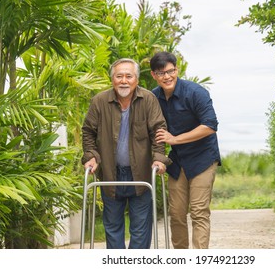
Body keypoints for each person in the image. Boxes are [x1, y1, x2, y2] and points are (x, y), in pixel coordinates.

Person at [81, 58, 171, 249]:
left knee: (141, 228)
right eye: (119, 76)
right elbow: (88, 131)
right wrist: (90, 155)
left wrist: (159, 159)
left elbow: (159, 131)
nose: (124, 80)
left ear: (136, 80)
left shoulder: (148, 99)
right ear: (112, 79)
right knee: (112, 226)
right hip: (110, 174)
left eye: (128, 76)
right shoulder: (100, 101)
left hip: (141, 173)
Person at [150, 51, 221, 249]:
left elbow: (210, 125)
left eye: (170, 71)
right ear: (154, 75)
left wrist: (174, 139)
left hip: (203, 158)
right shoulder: (153, 98)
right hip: (177, 160)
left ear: (177, 70)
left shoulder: (195, 92)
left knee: (199, 212)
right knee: (177, 214)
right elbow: (150, 130)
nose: (167, 77)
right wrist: (158, 157)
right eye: (161, 73)